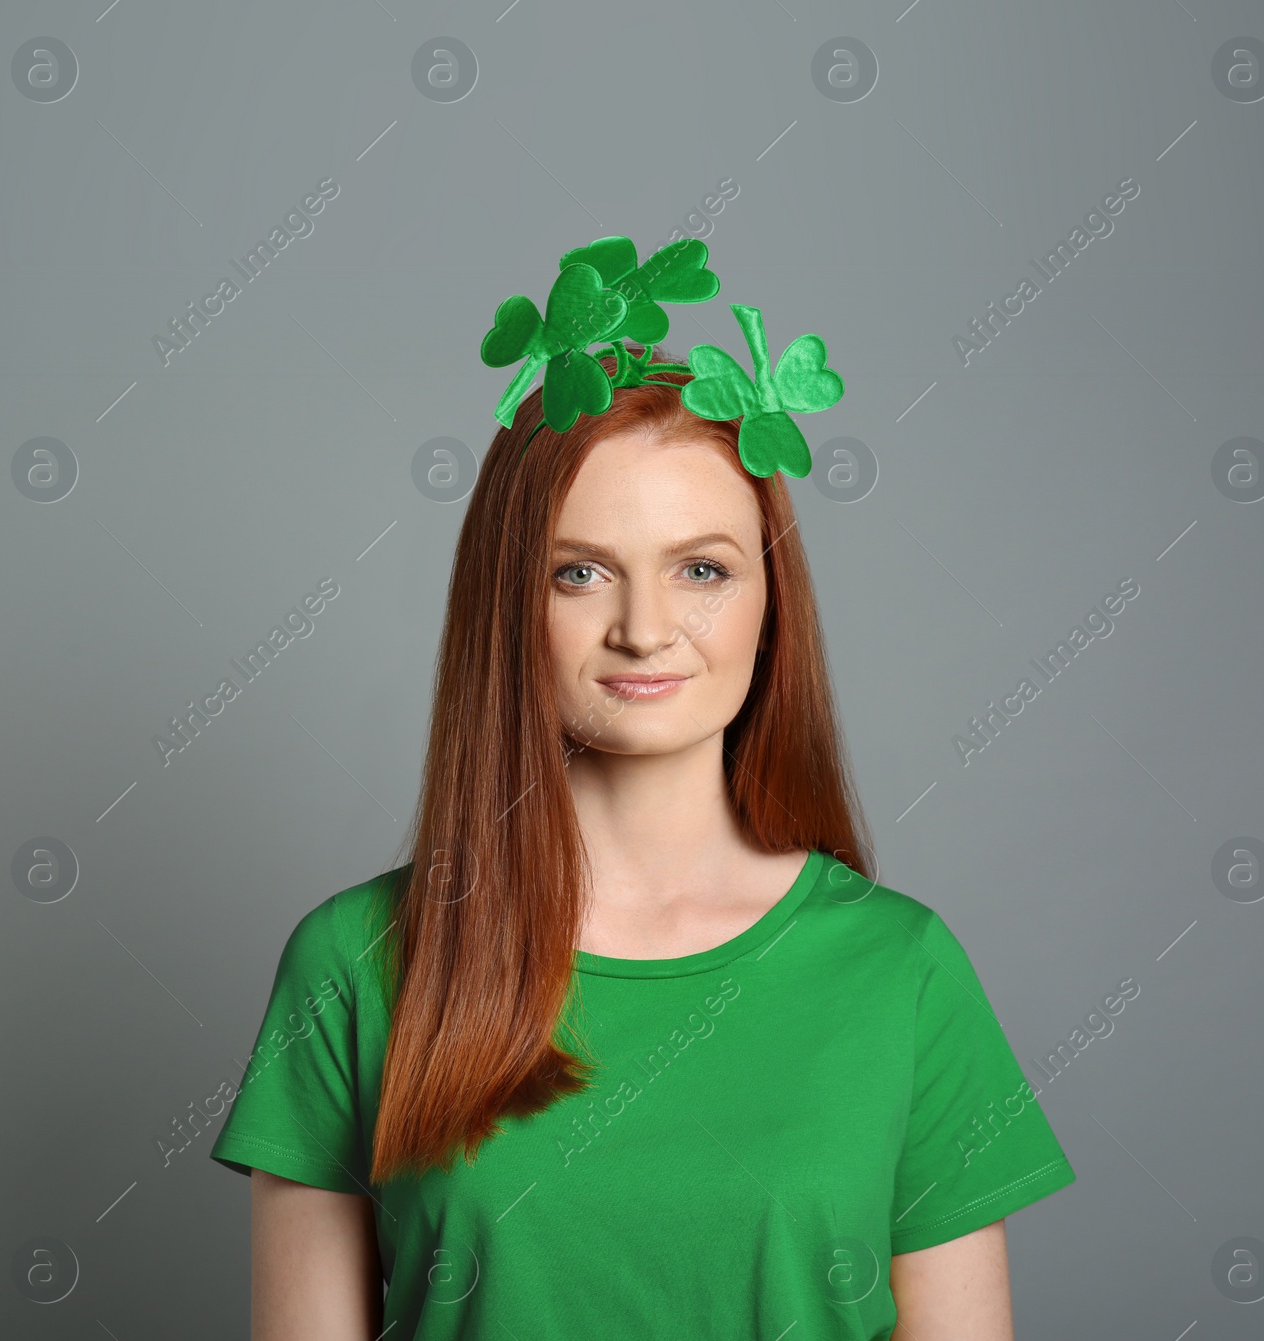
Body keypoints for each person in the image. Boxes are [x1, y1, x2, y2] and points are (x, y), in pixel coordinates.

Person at [210, 237, 1075, 1340]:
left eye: (702, 569)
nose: (644, 628)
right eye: (580, 572)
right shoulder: (355, 964)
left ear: (773, 602)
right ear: (509, 604)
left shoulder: (900, 973)